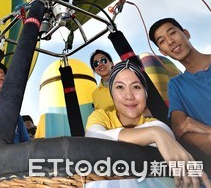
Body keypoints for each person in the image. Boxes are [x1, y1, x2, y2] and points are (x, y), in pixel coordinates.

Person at [86, 59, 210, 187]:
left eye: (136, 87)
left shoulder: (158, 126)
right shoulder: (100, 116)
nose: (129, 96)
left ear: (145, 94)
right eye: (120, 87)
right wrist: (153, 134)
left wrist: (156, 132)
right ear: (112, 93)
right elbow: (93, 138)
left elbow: (165, 136)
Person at [149, 18, 211, 158]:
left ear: (186, 34)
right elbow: (181, 131)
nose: (170, 41)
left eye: (172, 33)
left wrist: (206, 130)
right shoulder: (176, 85)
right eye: (162, 41)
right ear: (162, 52)